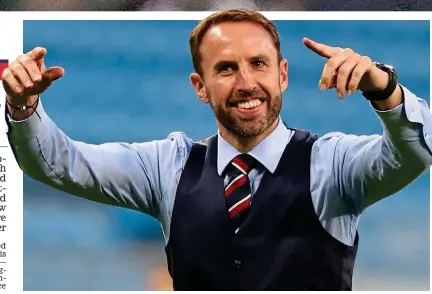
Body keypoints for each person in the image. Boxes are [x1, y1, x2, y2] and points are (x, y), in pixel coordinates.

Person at [2, 9, 432, 291]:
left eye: (258, 64)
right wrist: (23, 105)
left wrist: (386, 88)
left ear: (282, 74)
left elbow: (414, 153)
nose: (246, 82)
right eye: (226, 68)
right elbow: (59, 164)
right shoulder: (167, 167)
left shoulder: (332, 164)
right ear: (200, 87)